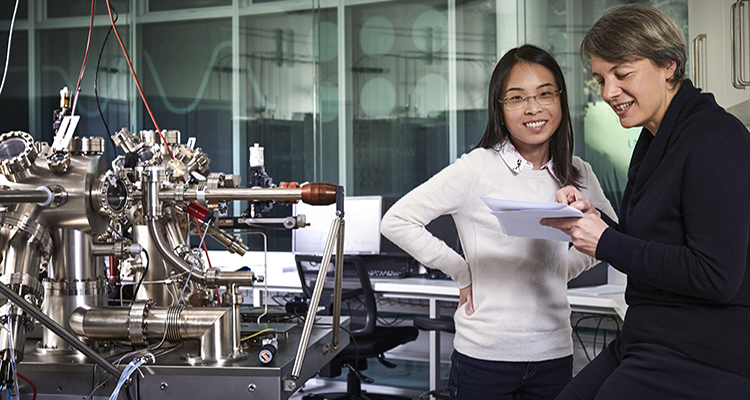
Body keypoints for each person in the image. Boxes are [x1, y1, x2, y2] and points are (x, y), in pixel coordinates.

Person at [380, 44, 615, 400]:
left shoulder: (577, 171)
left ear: (561, 101)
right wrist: (461, 271)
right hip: (485, 359)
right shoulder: (477, 168)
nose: (533, 108)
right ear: (500, 108)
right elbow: (397, 220)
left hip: (554, 354)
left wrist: (560, 269)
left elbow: (609, 233)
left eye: (545, 94)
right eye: (517, 98)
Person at [540, 4, 750, 399]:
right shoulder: (656, 139)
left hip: (702, 351)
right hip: (648, 338)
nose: (608, 92)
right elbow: (655, 243)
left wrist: (605, 241)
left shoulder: (715, 138)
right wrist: (593, 218)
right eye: (601, 79)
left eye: (622, 74)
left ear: (668, 65)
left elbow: (716, 278)